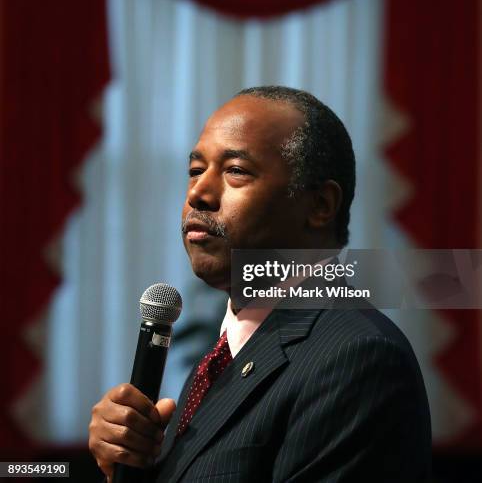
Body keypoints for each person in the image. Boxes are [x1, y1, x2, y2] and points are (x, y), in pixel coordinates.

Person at [89, 86, 432, 482]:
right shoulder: (225, 354)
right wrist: (132, 466)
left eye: (235, 170)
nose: (198, 192)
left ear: (319, 206)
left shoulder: (358, 357)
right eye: (195, 171)